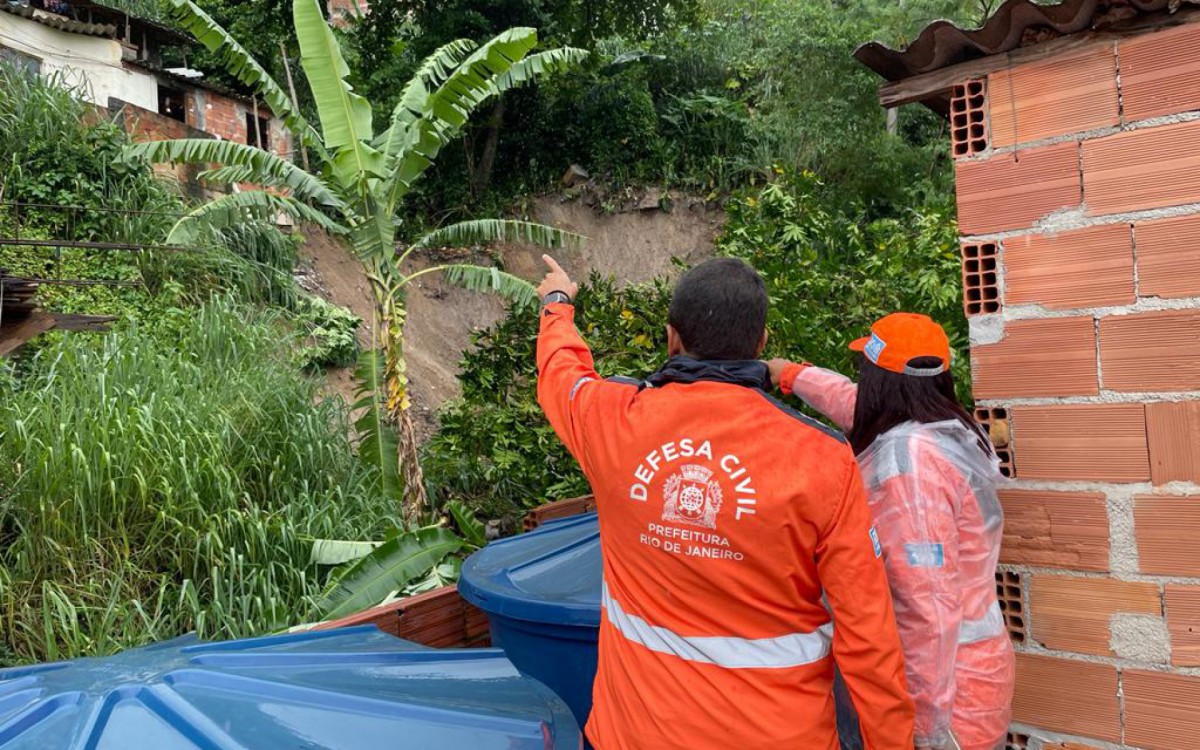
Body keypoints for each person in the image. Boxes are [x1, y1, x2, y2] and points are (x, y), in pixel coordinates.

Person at [535, 255, 915, 750]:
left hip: (634, 735)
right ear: (760, 344)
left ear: (672, 337)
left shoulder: (610, 419)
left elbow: (563, 373)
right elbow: (869, 637)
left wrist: (557, 304)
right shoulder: (821, 458)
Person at [766, 312, 1015, 750]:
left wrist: (926, 729)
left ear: (880, 381)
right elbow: (851, 402)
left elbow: (928, 611)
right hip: (966, 671)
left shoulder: (911, 468)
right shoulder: (943, 424)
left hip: (948, 699)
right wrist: (790, 375)